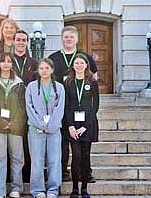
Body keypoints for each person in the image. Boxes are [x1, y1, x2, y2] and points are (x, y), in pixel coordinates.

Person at [48, 25, 97, 182]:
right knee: (63, 143)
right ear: (62, 39)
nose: (68, 39)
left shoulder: (84, 57)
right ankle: (63, 172)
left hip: (82, 107)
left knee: (84, 143)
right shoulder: (54, 57)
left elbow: (93, 75)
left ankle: (85, 173)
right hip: (62, 105)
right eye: (66, 36)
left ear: (77, 39)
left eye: (71, 36)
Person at [0, 52, 27, 198]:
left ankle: (16, 188)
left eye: (9, 61)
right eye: (3, 61)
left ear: (12, 64)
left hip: (16, 126)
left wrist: (15, 123)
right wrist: (0, 121)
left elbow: (23, 106)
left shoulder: (19, 83)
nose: (6, 64)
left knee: (17, 158)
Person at [25, 58, 65, 198]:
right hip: (36, 129)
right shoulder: (31, 87)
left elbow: (60, 109)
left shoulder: (59, 87)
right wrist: (41, 124)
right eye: (41, 68)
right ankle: (38, 190)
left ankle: (53, 189)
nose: (44, 71)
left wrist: (51, 126)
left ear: (52, 70)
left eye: (47, 68)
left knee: (54, 160)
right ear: (38, 70)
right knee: (37, 160)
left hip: (54, 129)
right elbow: (29, 108)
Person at [64, 54, 99, 198]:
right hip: (72, 123)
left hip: (87, 123)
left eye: (82, 63)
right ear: (73, 66)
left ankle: (84, 188)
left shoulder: (92, 81)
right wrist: (71, 126)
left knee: (85, 156)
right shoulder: (68, 82)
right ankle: (74, 189)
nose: (79, 65)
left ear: (86, 65)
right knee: (76, 156)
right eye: (76, 63)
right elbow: (66, 106)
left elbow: (95, 105)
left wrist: (85, 126)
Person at [12, 30, 38, 182]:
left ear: (27, 43)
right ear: (14, 41)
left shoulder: (34, 63)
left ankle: (27, 174)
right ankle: (13, 176)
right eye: (19, 40)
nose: (21, 43)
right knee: (14, 143)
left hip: (29, 108)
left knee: (28, 143)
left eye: (24, 40)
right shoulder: (7, 60)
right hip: (13, 107)